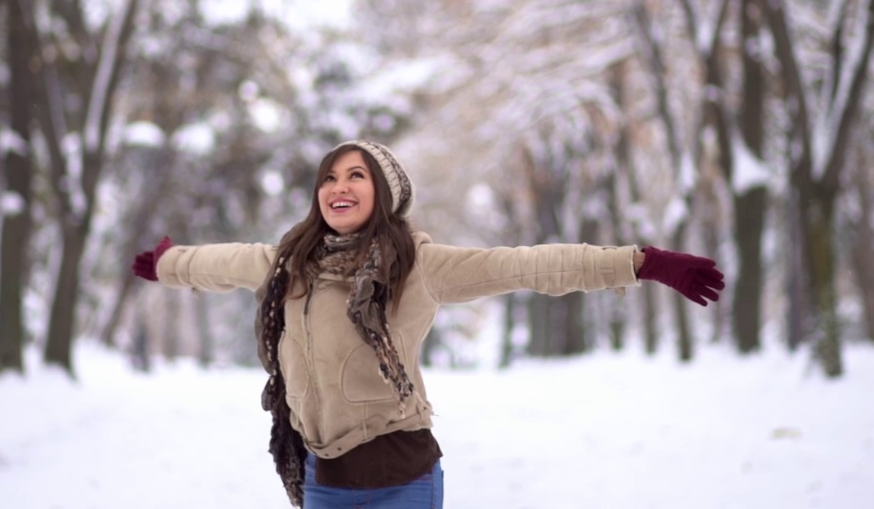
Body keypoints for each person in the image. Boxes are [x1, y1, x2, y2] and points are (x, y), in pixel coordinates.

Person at [131, 140, 724, 508]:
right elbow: (218, 261)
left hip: (402, 478)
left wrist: (642, 263)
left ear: (384, 193)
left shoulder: (419, 265)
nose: (339, 187)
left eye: (355, 176)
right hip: (321, 480)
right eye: (330, 177)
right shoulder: (288, 264)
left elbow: (526, 265)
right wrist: (168, 263)